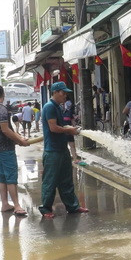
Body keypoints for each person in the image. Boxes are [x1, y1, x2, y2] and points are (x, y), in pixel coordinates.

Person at [39, 82, 88, 219]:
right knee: (50, 181)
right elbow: (53, 128)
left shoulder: (58, 107)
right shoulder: (49, 107)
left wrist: (69, 128)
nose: (65, 95)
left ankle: (73, 206)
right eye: (63, 92)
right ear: (55, 92)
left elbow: (60, 126)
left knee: (66, 180)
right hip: (52, 151)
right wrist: (69, 130)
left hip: (62, 149)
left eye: (66, 93)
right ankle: (45, 208)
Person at [0, 85, 30, 215]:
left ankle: (5, 204)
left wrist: (19, 137)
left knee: (2, 176)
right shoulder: (1, 109)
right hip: (6, 147)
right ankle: (17, 205)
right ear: (3, 94)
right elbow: (6, 129)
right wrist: (19, 140)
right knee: (11, 176)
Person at [63, 96, 80, 160]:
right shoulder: (60, 112)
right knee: (65, 147)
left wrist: (75, 129)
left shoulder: (69, 113)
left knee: (72, 146)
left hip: (69, 132)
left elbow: (73, 123)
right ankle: (69, 159)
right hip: (63, 132)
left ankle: (75, 159)